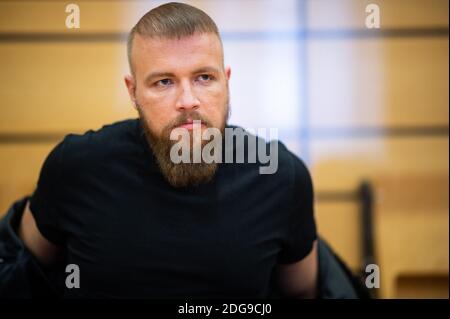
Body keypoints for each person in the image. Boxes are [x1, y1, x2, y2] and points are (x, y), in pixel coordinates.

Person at [18, 2, 318, 298]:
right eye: (164, 82)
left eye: (204, 78)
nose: (188, 100)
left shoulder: (278, 174)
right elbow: (24, 268)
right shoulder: (75, 166)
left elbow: (301, 292)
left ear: (226, 81)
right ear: (133, 91)